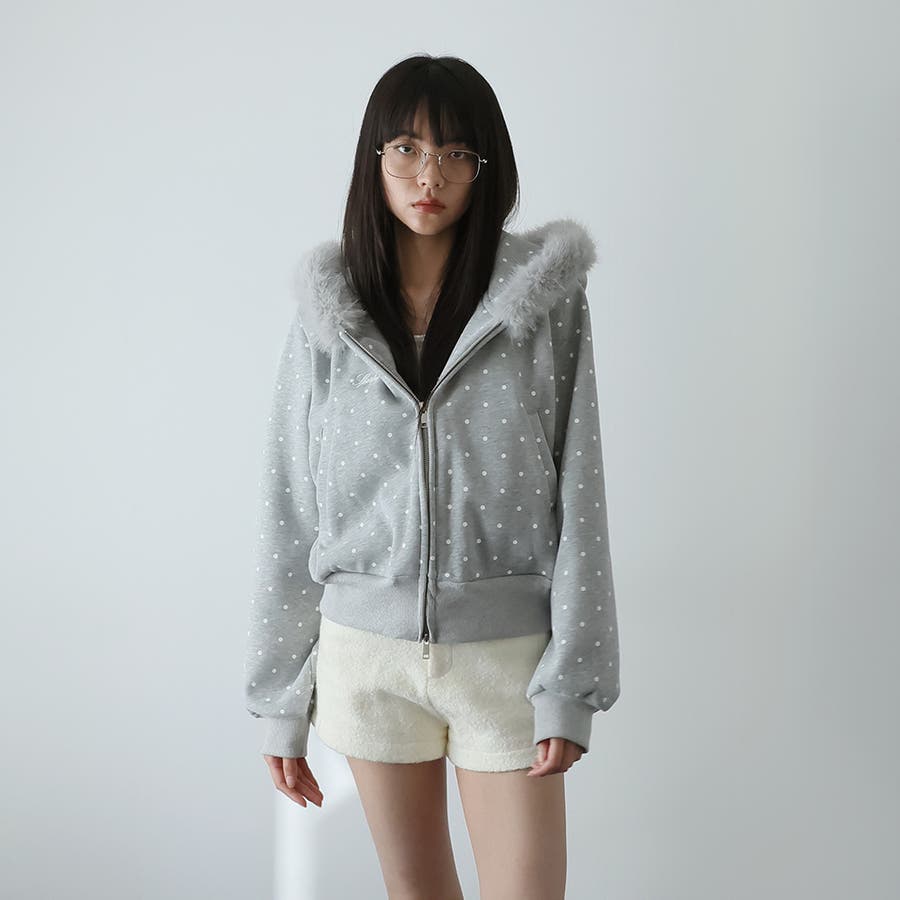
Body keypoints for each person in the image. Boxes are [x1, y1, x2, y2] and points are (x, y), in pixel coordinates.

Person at [244, 53, 621, 899]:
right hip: (365, 659)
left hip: (506, 661)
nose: (430, 177)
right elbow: (289, 505)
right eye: (407, 149)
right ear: (374, 159)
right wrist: (279, 698)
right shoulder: (330, 310)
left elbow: (581, 487)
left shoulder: (544, 300)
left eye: (456, 153)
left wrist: (574, 681)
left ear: (487, 167)